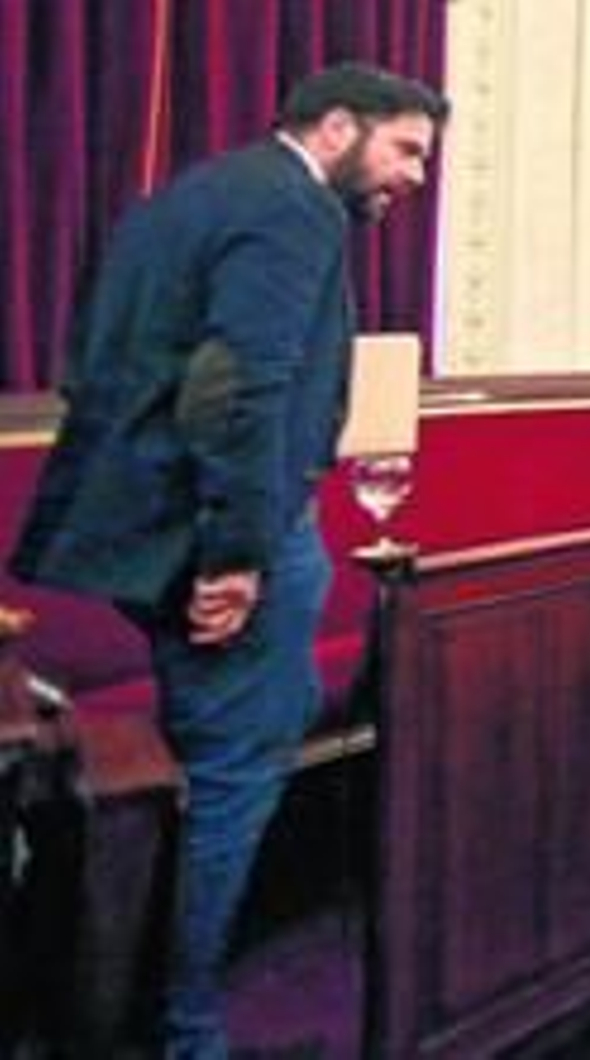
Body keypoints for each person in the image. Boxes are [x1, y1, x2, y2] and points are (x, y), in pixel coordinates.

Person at [7, 63, 448, 1056]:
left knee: (248, 737)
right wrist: (235, 555)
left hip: (162, 533)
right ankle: (185, 1028)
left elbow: (104, 365)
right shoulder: (293, 210)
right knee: (235, 772)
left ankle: (164, 1003)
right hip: (227, 534)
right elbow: (239, 389)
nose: (416, 177)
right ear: (336, 127)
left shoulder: (193, 198)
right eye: (405, 150)